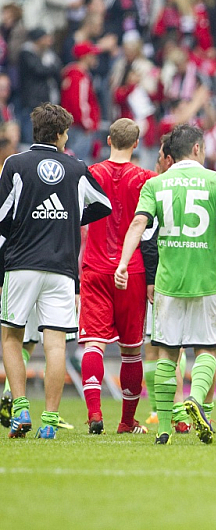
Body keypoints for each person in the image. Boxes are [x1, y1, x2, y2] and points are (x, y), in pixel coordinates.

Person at [115, 124, 216, 445]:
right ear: (197, 149)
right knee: (206, 349)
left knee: (167, 354)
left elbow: (139, 223)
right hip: (206, 281)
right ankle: (197, 400)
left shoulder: (156, 184)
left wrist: (124, 263)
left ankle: (165, 427)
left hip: (168, 283)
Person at [0, 103, 112, 439]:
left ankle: (20, 409)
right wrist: (69, 219)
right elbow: (102, 204)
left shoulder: (15, 165)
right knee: (55, 345)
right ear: (62, 135)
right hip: (62, 268)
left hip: (20, 265)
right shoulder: (76, 167)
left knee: (10, 337)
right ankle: (49, 420)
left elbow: (3, 218)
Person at [79, 118, 158, 436]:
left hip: (96, 267)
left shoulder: (91, 174)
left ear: (109, 140)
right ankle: (126, 421)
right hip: (133, 270)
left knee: (94, 344)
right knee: (131, 349)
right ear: (136, 144)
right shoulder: (145, 178)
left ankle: (95, 414)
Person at [60, 41, 101, 162]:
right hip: (80, 127)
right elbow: (79, 102)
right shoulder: (79, 76)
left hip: (74, 125)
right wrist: (87, 123)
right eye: (92, 55)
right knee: (79, 162)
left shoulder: (73, 74)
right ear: (85, 57)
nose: (95, 58)